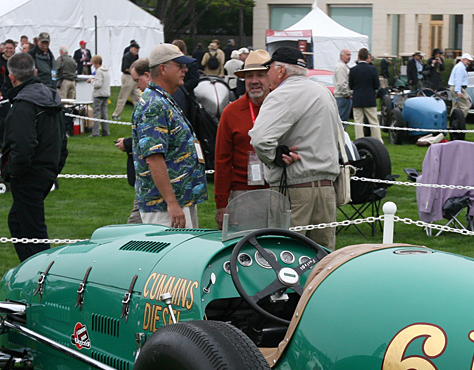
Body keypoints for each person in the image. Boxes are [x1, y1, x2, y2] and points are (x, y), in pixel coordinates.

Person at [250, 46, 340, 249]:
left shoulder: (283, 94)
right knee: (322, 258)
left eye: (269, 68)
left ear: (280, 70)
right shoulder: (323, 92)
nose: (268, 74)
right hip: (326, 189)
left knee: (286, 256)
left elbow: (260, 139)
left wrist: (274, 156)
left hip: (295, 189)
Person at [0, 51, 68, 261]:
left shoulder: (24, 103)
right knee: (18, 222)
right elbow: (62, 140)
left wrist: (13, 172)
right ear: (35, 71)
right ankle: (30, 268)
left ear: (12, 78)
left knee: (33, 230)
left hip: (30, 173)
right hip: (45, 170)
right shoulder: (50, 98)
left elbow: (23, 144)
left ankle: (42, 274)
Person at [132, 44, 206, 228]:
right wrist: (172, 204)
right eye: (179, 65)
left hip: (177, 201)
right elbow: (154, 159)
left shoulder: (163, 100)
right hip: (163, 208)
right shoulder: (154, 105)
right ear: (163, 69)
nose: (185, 70)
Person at [214, 49, 273, 227]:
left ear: (271, 77)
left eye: (260, 75)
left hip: (280, 191)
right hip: (244, 194)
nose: (254, 81)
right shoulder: (231, 112)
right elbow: (222, 160)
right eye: (249, 76)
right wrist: (222, 203)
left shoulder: (282, 107)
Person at [115, 58, 150, 223]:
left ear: (148, 75)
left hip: (149, 181)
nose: (136, 85)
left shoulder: (152, 104)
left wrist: (128, 144)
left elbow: (150, 143)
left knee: (135, 225)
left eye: (138, 80)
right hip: (148, 179)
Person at [349, 48, 381, 141]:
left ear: (358, 57)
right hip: (369, 98)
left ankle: (359, 140)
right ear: (367, 57)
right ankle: (378, 140)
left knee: (358, 121)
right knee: (373, 121)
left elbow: (351, 86)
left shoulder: (353, 70)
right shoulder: (373, 69)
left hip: (357, 98)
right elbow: (376, 85)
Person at [113, 41, 141, 117]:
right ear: (131, 48)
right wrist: (133, 71)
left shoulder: (136, 56)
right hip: (128, 77)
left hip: (134, 78)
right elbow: (124, 68)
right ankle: (116, 114)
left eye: (138, 49)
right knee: (123, 97)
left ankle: (141, 114)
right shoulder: (127, 56)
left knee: (137, 97)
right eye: (136, 49)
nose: (137, 51)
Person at [89, 55, 110, 136]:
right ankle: (106, 131)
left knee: (96, 113)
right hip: (106, 94)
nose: (93, 65)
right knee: (104, 113)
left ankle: (95, 132)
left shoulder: (99, 71)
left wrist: (91, 81)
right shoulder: (106, 71)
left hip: (98, 95)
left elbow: (98, 84)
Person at [448, 53, 473, 118]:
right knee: (466, 105)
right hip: (458, 88)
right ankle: (459, 121)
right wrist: (458, 91)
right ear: (463, 59)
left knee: (456, 105)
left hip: (454, 88)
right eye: (468, 60)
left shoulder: (458, 66)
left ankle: (453, 122)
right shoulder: (460, 68)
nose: (469, 62)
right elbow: (458, 80)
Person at [334, 48, 353, 120]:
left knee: (342, 119)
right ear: (341, 56)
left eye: (350, 55)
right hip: (343, 97)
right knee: (342, 120)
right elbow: (342, 83)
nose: (349, 57)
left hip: (343, 96)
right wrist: (347, 94)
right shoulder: (341, 67)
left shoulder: (343, 66)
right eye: (347, 55)